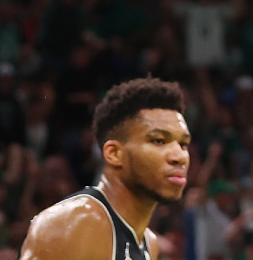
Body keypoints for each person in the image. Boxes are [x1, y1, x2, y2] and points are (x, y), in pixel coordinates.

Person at [18, 77, 190, 260]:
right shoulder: (75, 224)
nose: (179, 156)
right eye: (159, 141)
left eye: (183, 144)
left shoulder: (149, 242)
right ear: (114, 153)